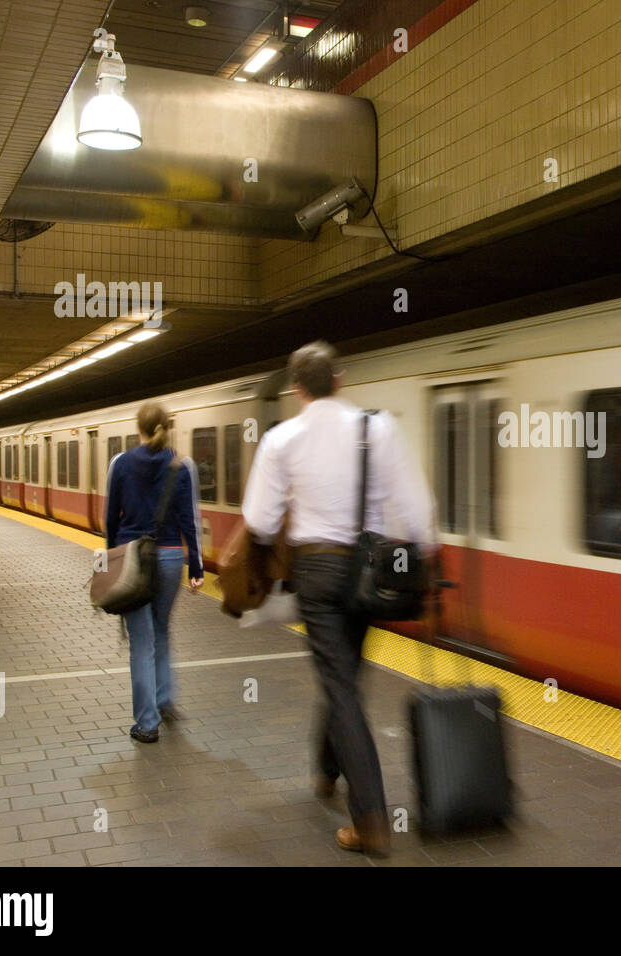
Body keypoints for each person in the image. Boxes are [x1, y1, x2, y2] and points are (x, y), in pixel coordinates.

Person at [242, 341, 435, 856]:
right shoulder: (379, 429)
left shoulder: (282, 439)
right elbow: (416, 510)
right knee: (344, 675)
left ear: (297, 389)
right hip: (369, 572)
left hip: (317, 573)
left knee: (339, 683)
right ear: (342, 380)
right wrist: (427, 563)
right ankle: (327, 771)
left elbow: (259, 522)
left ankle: (370, 818)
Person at [104, 402, 204, 743]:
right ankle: (165, 700)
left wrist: (109, 560)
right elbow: (190, 521)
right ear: (166, 428)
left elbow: (109, 518)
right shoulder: (182, 465)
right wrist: (197, 568)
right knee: (161, 631)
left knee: (141, 642)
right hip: (171, 559)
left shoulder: (120, 464)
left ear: (139, 430)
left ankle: (147, 724)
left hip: (133, 561)